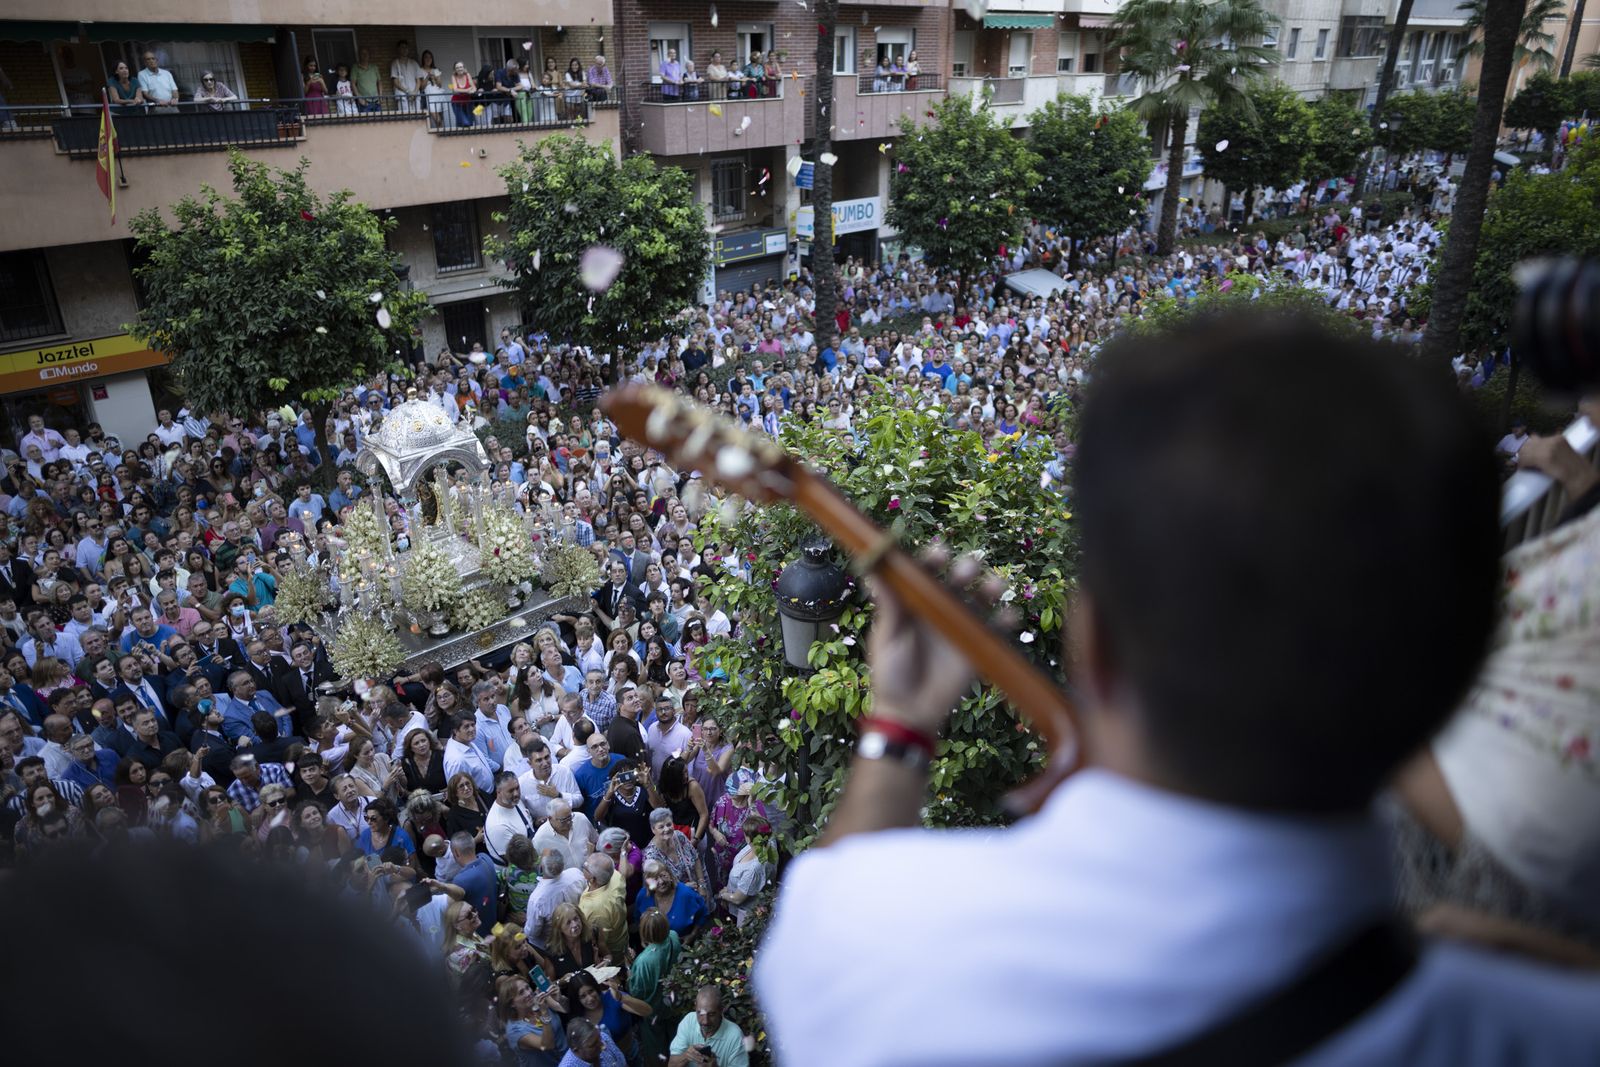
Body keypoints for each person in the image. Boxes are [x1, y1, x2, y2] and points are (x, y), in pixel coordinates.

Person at [757, 312, 1600, 1064]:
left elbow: (827, 911)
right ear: (1453, 683)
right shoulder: (1550, 1029)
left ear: (1096, 641)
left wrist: (901, 717)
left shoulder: (881, 945)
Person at [667, 985, 749, 1067]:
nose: (705, 1021)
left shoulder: (735, 1035)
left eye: (711, 1014)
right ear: (695, 1007)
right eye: (700, 1013)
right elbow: (671, 1065)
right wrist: (686, 1056)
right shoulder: (689, 1021)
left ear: (721, 1010)